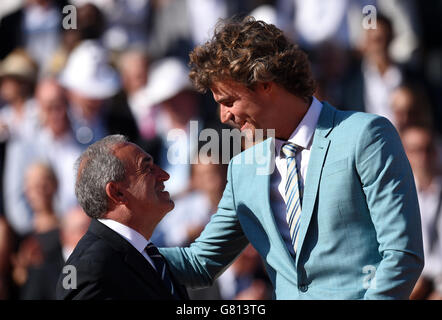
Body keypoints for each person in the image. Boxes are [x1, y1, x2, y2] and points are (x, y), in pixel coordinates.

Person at [159, 16, 424, 299]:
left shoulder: (365, 135)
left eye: (229, 101)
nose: (224, 116)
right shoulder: (242, 168)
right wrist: (122, 249)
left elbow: (402, 254)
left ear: (264, 83)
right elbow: (200, 263)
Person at [56, 134, 188, 300]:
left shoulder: (150, 255)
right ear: (117, 193)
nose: (164, 175)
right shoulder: (89, 267)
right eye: (147, 169)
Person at [401, 125, 442, 300]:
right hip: (410, 278)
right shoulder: (396, 195)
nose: (423, 157)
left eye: (428, 149)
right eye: (416, 151)